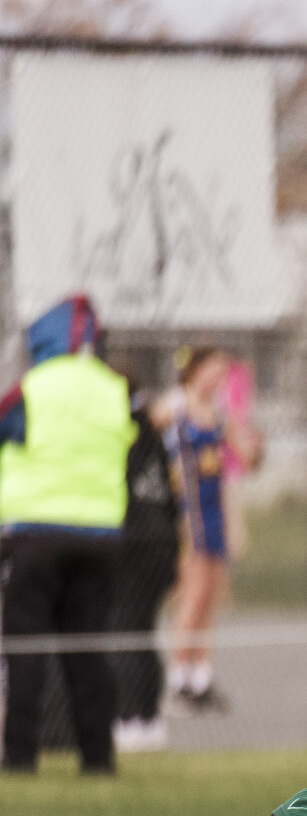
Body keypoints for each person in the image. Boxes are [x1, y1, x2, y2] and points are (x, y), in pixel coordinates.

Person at [0, 296, 134, 775]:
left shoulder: (32, 389)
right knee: (88, 649)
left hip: (34, 532)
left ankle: (20, 757)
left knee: (26, 650)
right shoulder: (113, 388)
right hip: (100, 535)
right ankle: (98, 758)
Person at [162, 346, 256, 714]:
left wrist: (255, 445)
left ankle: (200, 676)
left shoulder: (219, 414)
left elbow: (245, 456)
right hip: (190, 514)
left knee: (211, 597)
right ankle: (178, 677)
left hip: (215, 511)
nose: (217, 380)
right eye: (212, 371)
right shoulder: (176, 407)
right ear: (196, 370)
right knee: (193, 595)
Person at [109, 389, 181, 754]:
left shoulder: (119, 434)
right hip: (162, 544)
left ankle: (128, 718)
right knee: (144, 631)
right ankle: (150, 718)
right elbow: (172, 500)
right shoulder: (155, 438)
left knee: (123, 629)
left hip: (133, 544)